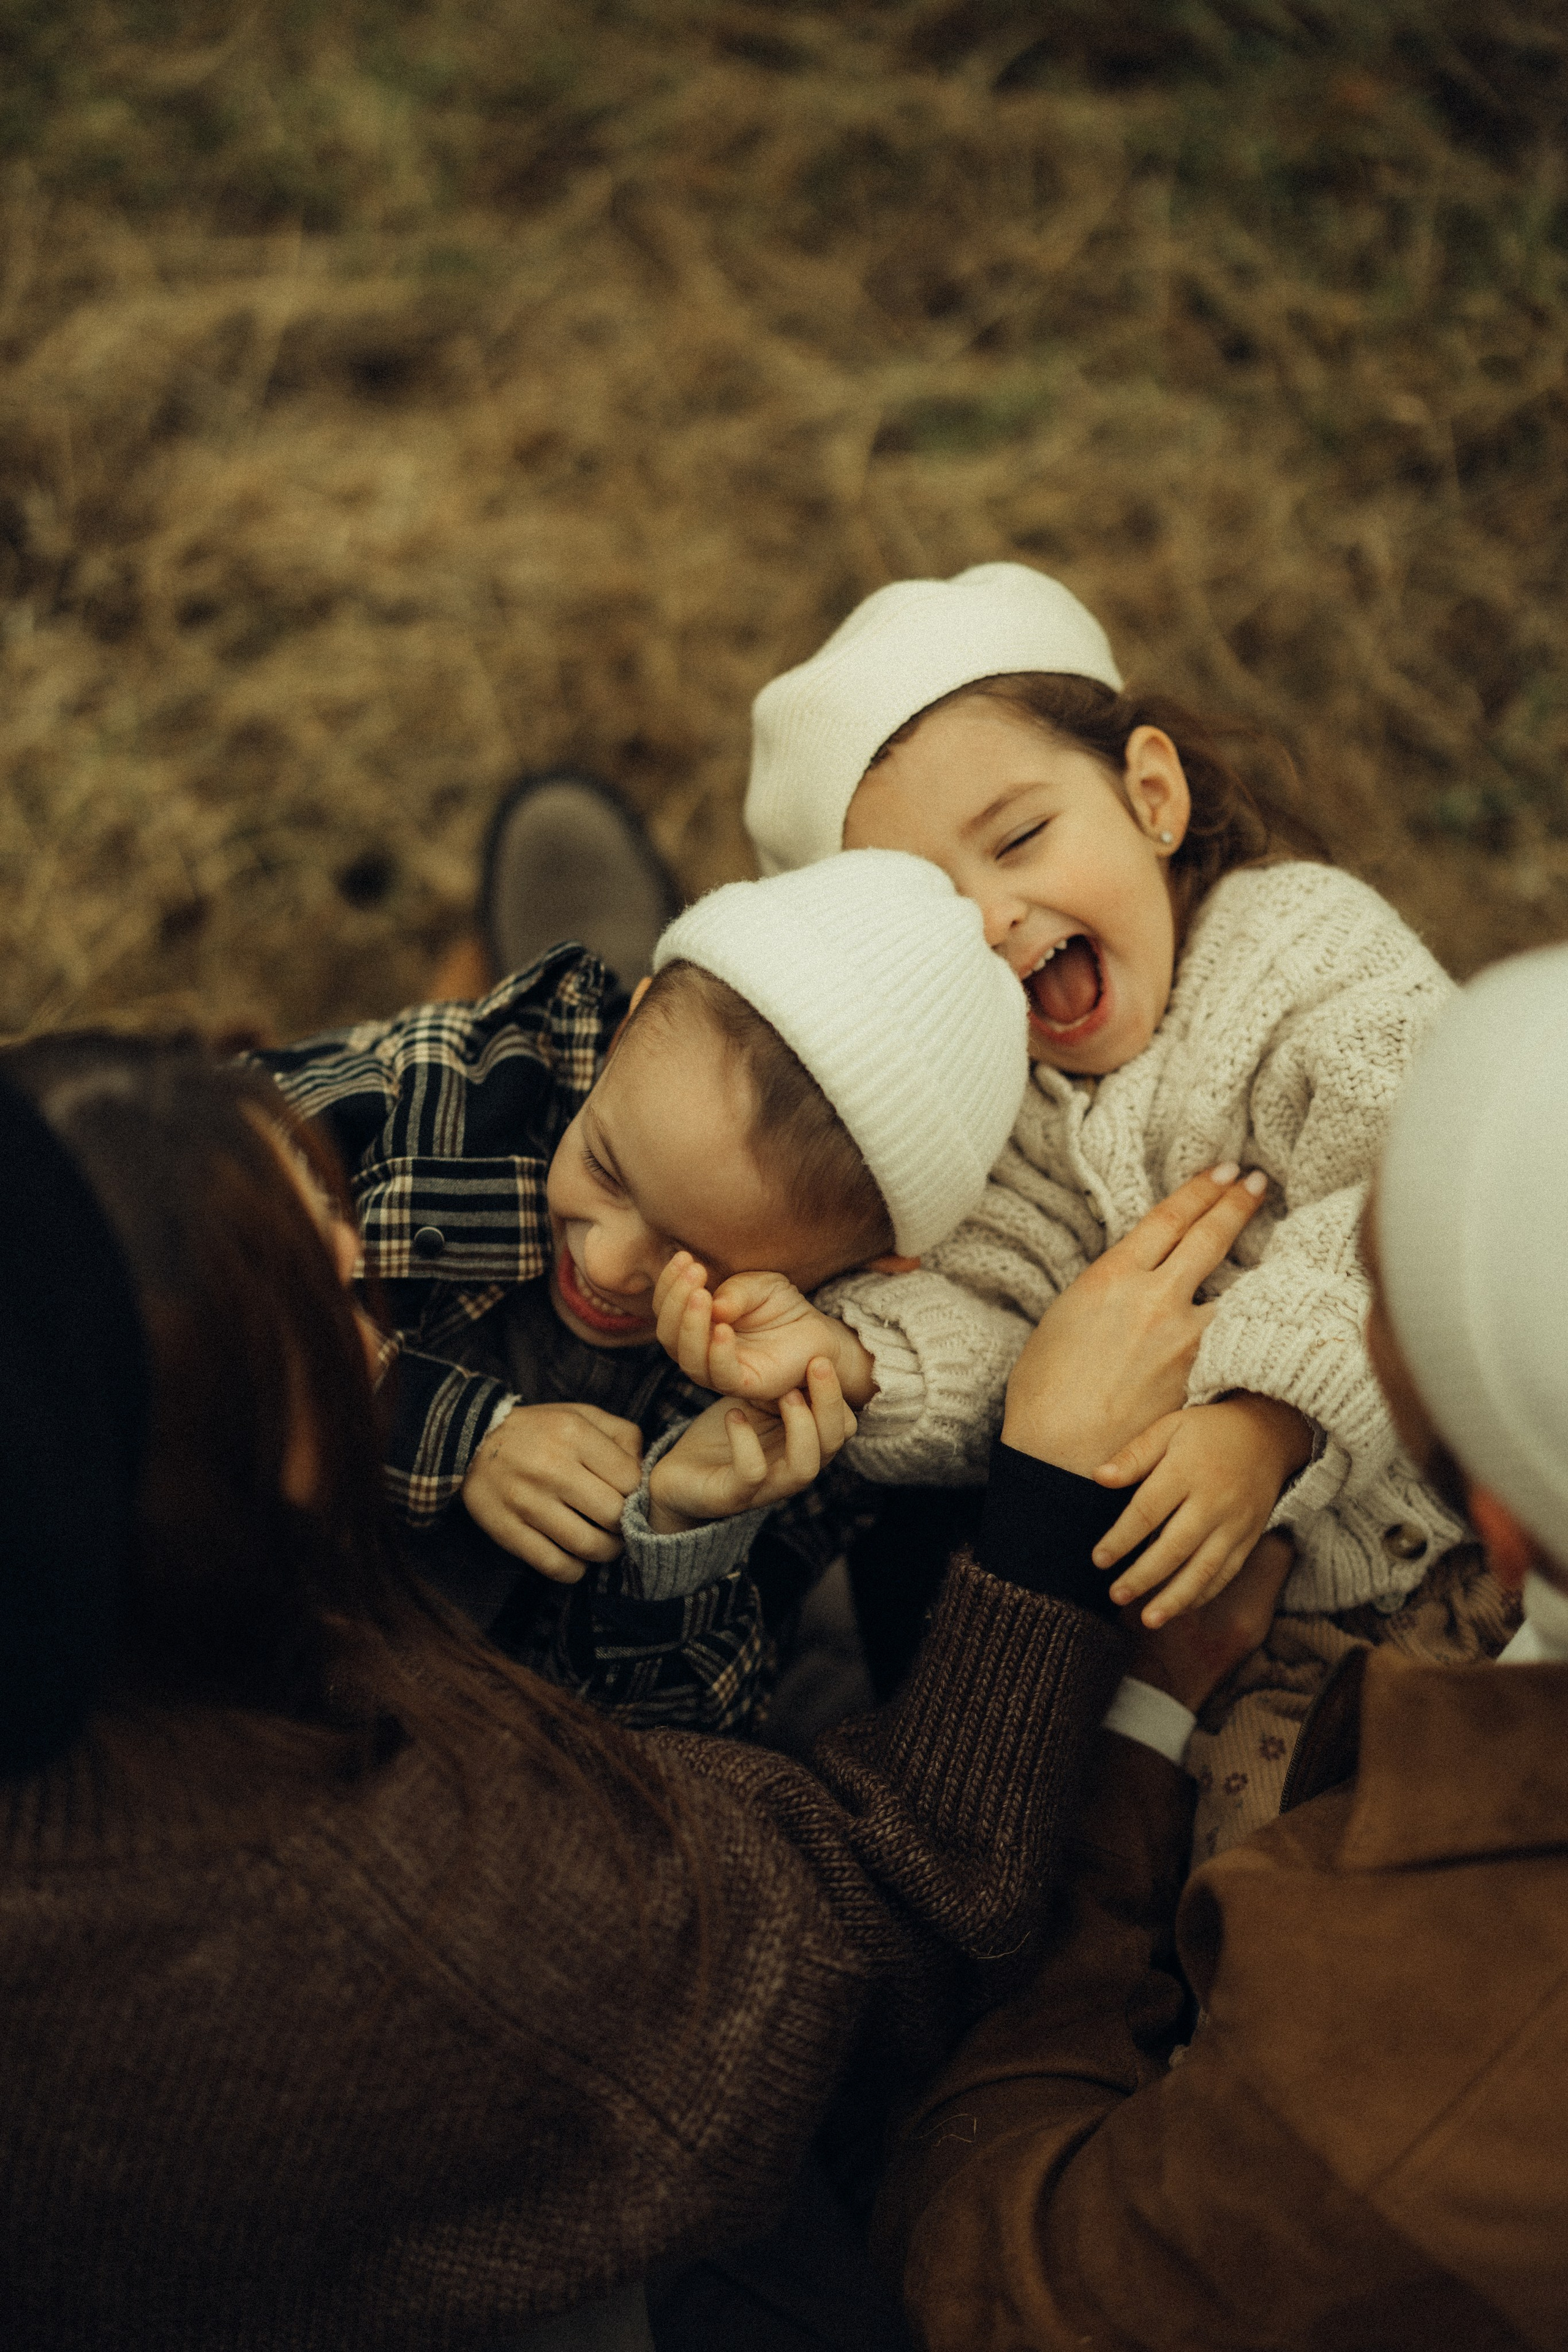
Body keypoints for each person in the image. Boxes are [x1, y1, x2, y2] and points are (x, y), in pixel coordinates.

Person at [0, 1035, 1268, 2350]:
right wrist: (1052, 1497)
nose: (353, 1260)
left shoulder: (105, 1634)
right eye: (314, 1316)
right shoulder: (398, 1919)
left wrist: (659, 1511)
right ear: (188, 1497)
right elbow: (893, 1915)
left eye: (326, 1209)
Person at [676, 558, 1471, 1850]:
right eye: (929, 915)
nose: (991, 916)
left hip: (1478, 1530)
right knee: (1245, 1885)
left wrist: (1263, 1419)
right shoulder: (978, 1139)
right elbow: (1006, 1356)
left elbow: (1404, 1193)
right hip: (1234, 1666)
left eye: (1020, 838)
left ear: (1150, 795)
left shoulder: (1300, 949)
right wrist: (859, 1361)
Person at [874, 941, 1568, 2348]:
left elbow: (994, 2271)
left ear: (1492, 1530)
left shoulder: (1394, 2084)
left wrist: (1129, 1720)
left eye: (1362, 1295)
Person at [254, 848, 1025, 1735]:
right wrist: (450, 1433)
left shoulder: (785, 1423)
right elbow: (168, 1224)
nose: (613, 1264)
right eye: (608, 1169)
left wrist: (681, 1530)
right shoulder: (447, 1088)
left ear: (863, 1271)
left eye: (697, 1258)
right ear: (622, 1034)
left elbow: (669, 1757)